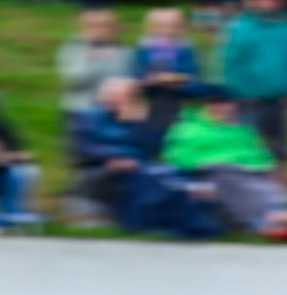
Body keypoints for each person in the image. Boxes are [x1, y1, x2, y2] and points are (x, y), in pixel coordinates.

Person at [76, 77, 221, 238]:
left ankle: (183, 222)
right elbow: (84, 148)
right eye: (123, 95)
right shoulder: (89, 117)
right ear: (107, 97)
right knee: (150, 179)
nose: (127, 99)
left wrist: (140, 123)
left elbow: (155, 147)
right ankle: (182, 224)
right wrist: (115, 158)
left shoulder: (136, 117)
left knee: (173, 177)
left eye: (130, 95)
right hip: (103, 168)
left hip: (140, 166)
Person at [161, 87, 287, 238]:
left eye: (228, 105)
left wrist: (258, 166)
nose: (223, 108)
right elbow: (176, 157)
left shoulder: (243, 131)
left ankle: (279, 215)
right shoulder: (187, 130)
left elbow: (261, 157)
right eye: (217, 104)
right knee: (227, 175)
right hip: (208, 173)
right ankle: (270, 219)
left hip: (248, 172)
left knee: (272, 175)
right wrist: (216, 162)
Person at [220, 0, 287, 164]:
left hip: (281, 97)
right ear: (249, 2)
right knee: (250, 143)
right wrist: (239, 92)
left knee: (279, 144)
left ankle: (280, 181)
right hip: (249, 98)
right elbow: (231, 63)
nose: (267, 4)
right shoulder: (240, 29)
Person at [131, 8, 202, 137]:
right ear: (150, 28)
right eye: (160, 27)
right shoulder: (144, 48)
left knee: (176, 130)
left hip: (178, 100)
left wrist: (181, 80)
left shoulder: (186, 49)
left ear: (182, 28)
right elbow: (136, 73)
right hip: (151, 98)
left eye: (174, 26)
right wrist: (146, 80)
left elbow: (193, 75)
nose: (167, 31)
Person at [56, 8, 130, 130]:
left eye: (108, 26)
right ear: (84, 28)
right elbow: (73, 79)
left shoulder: (124, 50)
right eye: (95, 26)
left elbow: (128, 77)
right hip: (80, 111)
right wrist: (94, 60)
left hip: (115, 113)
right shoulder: (72, 48)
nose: (102, 30)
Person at [0, 97, 44, 229]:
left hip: (5, 171)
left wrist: (11, 157)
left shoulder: (3, 128)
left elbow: (22, 153)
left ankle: (13, 218)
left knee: (23, 174)